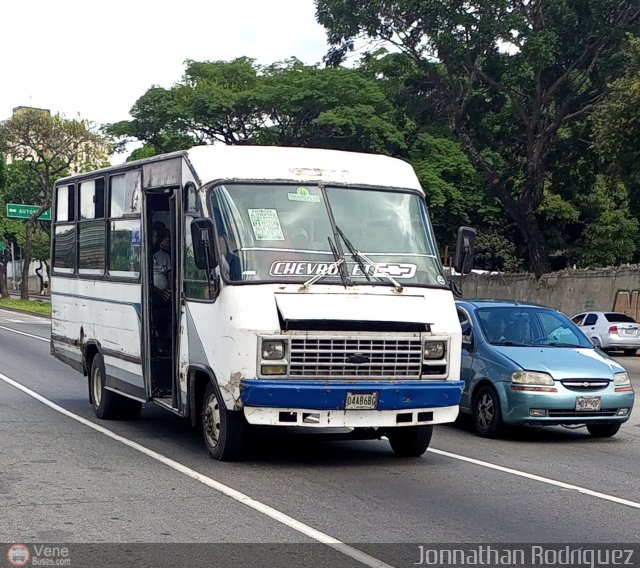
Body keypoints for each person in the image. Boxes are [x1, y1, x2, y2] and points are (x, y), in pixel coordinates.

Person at [152, 226, 172, 353]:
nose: (167, 241)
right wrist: (159, 292)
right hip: (153, 293)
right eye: (165, 238)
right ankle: (157, 338)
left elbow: (169, 275)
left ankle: (165, 340)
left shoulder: (165, 256)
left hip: (164, 293)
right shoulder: (145, 255)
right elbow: (146, 282)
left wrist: (169, 290)